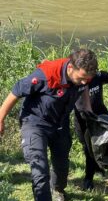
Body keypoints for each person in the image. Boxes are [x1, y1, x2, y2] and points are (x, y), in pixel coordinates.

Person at [0, 49, 98, 201]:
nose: (85, 81)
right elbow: (16, 91)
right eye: (82, 78)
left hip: (60, 123)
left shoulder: (83, 76)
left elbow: (83, 87)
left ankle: (57, 190)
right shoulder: (45, 75)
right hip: (35, 122)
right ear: (70, 68)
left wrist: (87, 107)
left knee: (62, 166)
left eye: (88, 79)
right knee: (39, 168)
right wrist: (0, 119)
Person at [74, 70, 108, 191]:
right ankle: (97, 167)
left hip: (99, 118)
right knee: (86, 145)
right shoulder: (74, 80)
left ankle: (88, 178)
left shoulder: (98, 76)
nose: (86, 78)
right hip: (81, 120)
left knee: (92, 147)